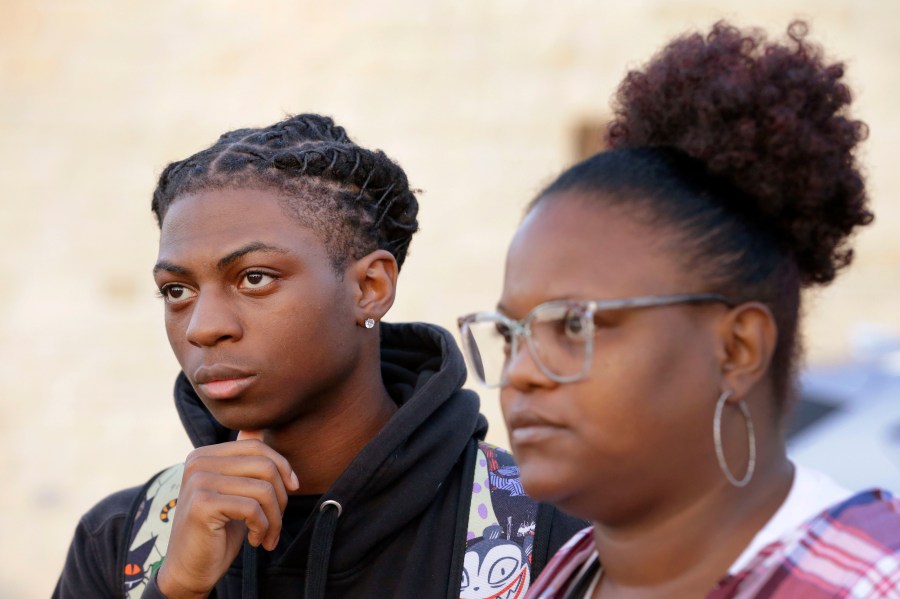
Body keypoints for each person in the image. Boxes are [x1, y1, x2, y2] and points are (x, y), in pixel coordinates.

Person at [54, 113, 585, 599]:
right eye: (177, 291)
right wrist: (175, 590)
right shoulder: (123, 542)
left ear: (370, 287)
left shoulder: (544, 536)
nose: (202, 327)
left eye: (254, 278)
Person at [457, 21, 900, 598]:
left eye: (573, 324)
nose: (519, 374)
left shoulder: (863, 582)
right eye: (512, 335)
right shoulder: (561, 575)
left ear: (737, 349)